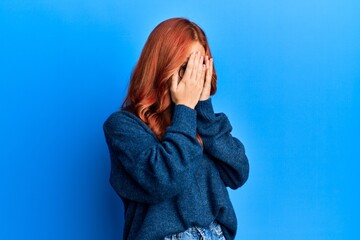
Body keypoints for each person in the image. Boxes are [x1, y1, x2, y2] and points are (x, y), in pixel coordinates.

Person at [103, 17, 249, 240]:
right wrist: (185, 109)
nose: (192, 77)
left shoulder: (202, 122)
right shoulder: (123, 127)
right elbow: (163, 181)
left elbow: (238, 172)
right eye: (185, 67)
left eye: (198, 66)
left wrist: (204, 109)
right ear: (162, 66)